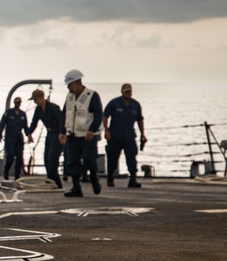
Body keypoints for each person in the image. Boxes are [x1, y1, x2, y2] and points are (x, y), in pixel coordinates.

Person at [58, 69, 103, 197]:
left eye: (69, 84)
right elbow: (64, 114)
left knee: (89, 160)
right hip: (73, 135)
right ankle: (76, 187)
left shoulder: (91, 95)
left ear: (76, 83)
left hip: (88, 136)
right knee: (72, 161)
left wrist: (92, 130)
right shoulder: (70, 97)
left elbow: (98, 114)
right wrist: (62, 132)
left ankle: (94, 177)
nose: (67, 87)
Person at [103, 83, 147, 188]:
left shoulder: (135, 104)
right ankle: (110, 178)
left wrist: (143, 134)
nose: (128, 93)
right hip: (115, 136)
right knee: (112, 158)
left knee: (131, 157)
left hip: (129, 136)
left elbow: (140, 119)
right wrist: (106, 130)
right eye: (126, 92)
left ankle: (133, 179)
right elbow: (105, 116)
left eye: (130, 91)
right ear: (122, 92)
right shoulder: (114, 103)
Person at [26, 88, 64, 189]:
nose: (35, 102)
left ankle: (57, 184)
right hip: (49, 134)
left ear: (41, 98)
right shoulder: (38, 110)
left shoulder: (54, 108)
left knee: (52, 159)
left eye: (35, 99)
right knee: (46, 159)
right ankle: (51, 181)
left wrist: (62, 134)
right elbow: (34, 123)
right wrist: (29, 133)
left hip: (57, 135)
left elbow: (62, 122)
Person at [0, 97, 29, 180]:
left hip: (19, 139)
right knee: (10, 156)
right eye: (17, 102)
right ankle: (6, 171)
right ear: (14, 103)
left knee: (19, 157)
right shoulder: (8, 113)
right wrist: (0, 134)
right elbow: (2, 124)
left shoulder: (23, 114)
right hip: (10, 138)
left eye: (19, 102)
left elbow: (26, 127)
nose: (18, 104)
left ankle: (17, 175)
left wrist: (29, 135)